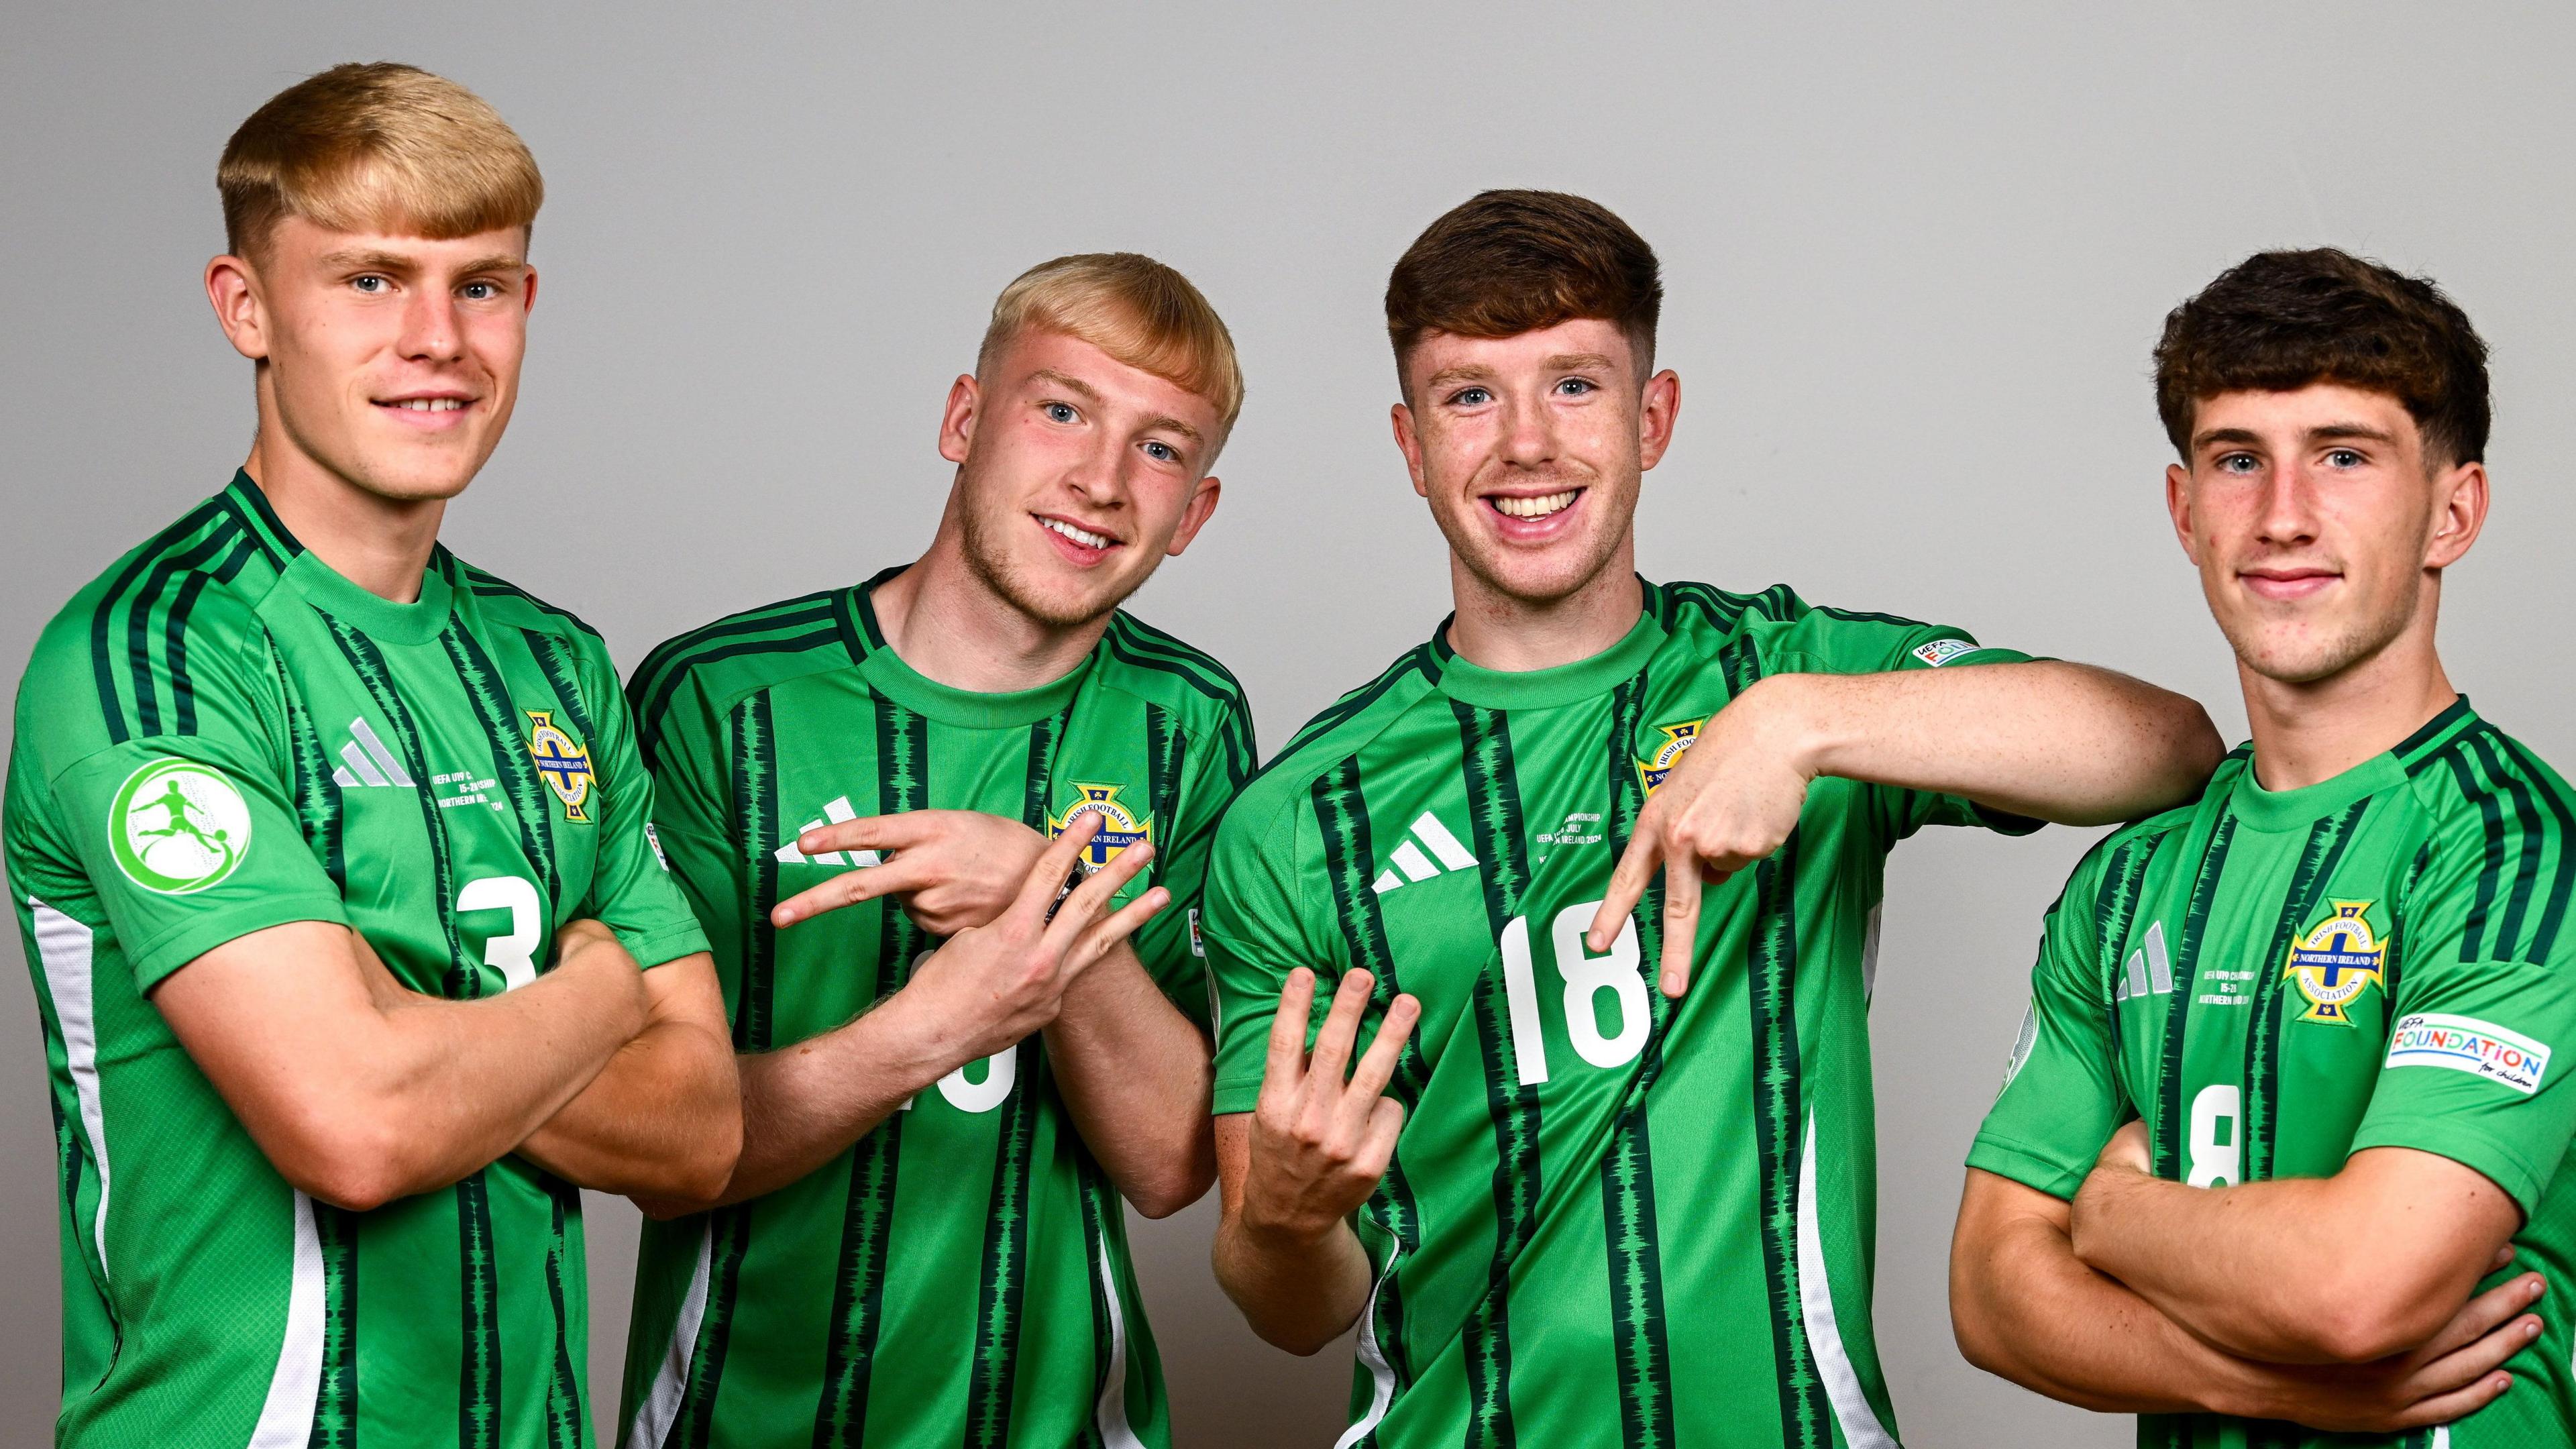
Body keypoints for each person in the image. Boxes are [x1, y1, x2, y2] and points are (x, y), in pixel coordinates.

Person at [1199, 189, 2224, 1448]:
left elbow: (2165, 748)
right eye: (1472, 396)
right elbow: (1286, 1310)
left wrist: (1803, 725)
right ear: (1412, 446)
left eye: (1574, 385)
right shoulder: (1301, 816)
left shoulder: (1787, 674)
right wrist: (1286, 1222)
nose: (1526, 443)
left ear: (1654, 416)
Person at [6, 63, 741, 1447]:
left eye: (482, 284)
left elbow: (703, 1133)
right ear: (247, 308)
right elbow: (354, 1126)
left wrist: (417, 1026)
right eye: (368, 280)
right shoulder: (148, 659)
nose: (436, 339)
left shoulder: (558, 667)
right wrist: (592, 985)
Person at [617, 253, 1253, 1448]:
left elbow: (1173, 1163)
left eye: (1161, 449)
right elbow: (653, 1142)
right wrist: (936, 1025)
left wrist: (1038, 893)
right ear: (965, 419)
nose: (1101, 480)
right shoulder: (720, 696)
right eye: (1060, 409)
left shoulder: (1190, 722)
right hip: (734, 1421)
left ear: (1194, 516)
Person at [1953, 249, 2576, 1446]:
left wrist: (2115, 1216)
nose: (2284, 516)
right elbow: (1989, 1293)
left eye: (2344, 456)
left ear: (2455, 511)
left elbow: (2363, 1288)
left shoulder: (2513, 856)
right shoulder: (2127, 882)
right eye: (2240, 460)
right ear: (2186, 511)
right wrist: (2261, 1387)